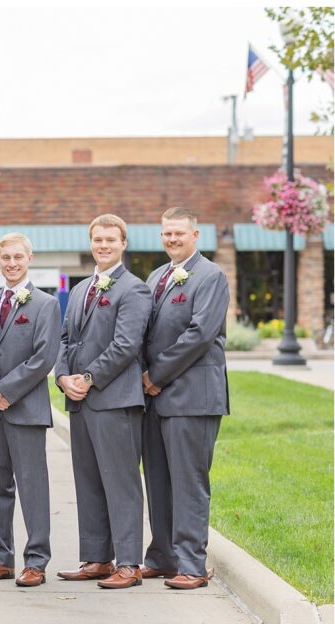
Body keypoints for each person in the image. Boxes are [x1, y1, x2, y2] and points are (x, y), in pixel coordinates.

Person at [54, 214, 152, 589]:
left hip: (115, 401)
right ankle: (97, 558)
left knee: (121, 480)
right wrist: (63, 378)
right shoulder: (79, 290)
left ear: (123, 243)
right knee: (89, 480)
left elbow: (126, 345)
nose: (104, 245)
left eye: (111, 239)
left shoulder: (134, 289)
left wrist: (90, 378)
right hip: (79, 400)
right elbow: (64, 340)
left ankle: (129, 563)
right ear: (91, 242)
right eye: (98, 239)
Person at [140, 208, 230, 590]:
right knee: (158, 479)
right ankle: (162, 556)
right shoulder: (156, 276)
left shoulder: (211, 277)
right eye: (166, 234)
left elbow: (199, 335)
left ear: (195, 234)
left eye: (179, 233)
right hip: (154, 399)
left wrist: (155, 375)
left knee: (189, 480)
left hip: (193, 397)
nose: (172, 239)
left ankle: (192, 564)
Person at [0, 233, 61, 587]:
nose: (11, 263)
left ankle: (37, 560)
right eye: (5, 258)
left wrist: (5, 391)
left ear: (29, 258)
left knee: (32, 486)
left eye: (17, 257)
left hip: (25, 409)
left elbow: (43, 358)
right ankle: (1, 558)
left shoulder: (45, 304)